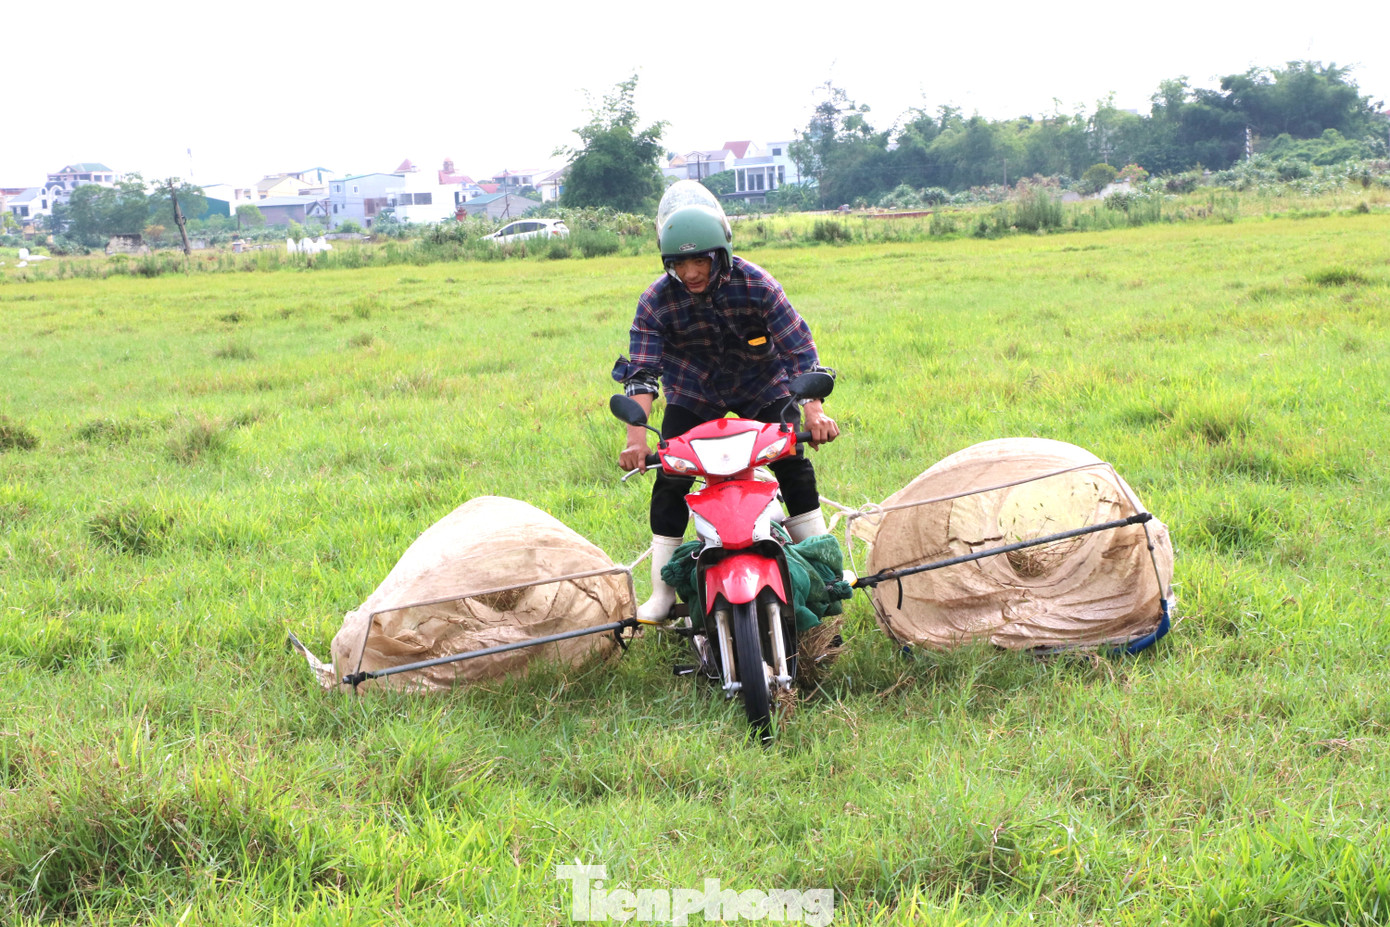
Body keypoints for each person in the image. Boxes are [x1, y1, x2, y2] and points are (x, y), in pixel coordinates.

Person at [613, 181, 839, 621]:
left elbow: (798, 351)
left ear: (721, 255)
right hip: (693, 391)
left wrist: (814, 412)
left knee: (792, 462)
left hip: (761, 383)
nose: (691, 272)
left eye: (700, 260)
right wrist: (635, 439)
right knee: (672, 479)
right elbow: (642, 372)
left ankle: (827, 576)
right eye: (679, 263)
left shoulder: (758, 285)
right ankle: (662, 594)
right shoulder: (655, 302)